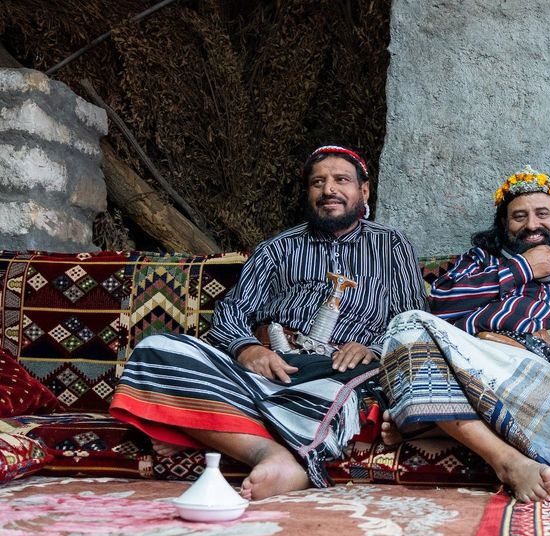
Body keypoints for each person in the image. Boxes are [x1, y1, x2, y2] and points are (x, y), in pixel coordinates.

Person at [110, 145, 428, 500]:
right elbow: (232, 311)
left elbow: (413, 320)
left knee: (356, 399)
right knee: (157, 349)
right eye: (317, 182)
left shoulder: (391, 245)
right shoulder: (276, 249)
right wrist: (248, 349)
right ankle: (272, 452)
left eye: (341, 180)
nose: (328, 190)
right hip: (272, 369)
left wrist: (372, 347)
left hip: (342, 374)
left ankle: (204, 423)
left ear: (363, 191)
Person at [378, 166, 550, 503]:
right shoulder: (481, 260)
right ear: (505, 225)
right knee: (406, 326)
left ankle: (431, 420)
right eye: (519, 216)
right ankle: (506, 461)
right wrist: (523, 268)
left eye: (542, 214)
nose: (532, 224)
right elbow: (440, 303)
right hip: (471, 360)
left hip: (538, 374)